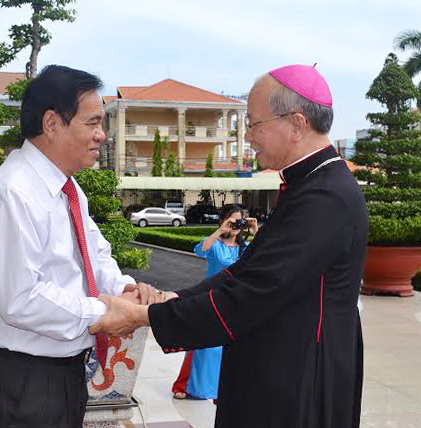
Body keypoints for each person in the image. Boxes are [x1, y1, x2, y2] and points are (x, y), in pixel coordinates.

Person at [91, 64, 368, 428]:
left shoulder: (326, 197)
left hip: (301, 374)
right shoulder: (311, 185)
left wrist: (146, 316)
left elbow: (255, 292)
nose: (249, 136)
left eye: (254, 123)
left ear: (297, 124)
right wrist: (175, 299)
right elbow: (247, 269)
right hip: (282, 358)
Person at [0, 65, 162, 428]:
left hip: (63, 375)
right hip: (23, 380)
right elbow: (20, 298)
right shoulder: (13, 192)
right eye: (92, 123)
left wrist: (125, 290)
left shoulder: (69, 190)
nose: (101, 135)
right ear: (52, 123)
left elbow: (94, 256)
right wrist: (104, 312)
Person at [172, 205, 257, 400]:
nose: (237, 225)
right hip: (211, 298)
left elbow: (262, 256)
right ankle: (187, 386)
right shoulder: (215, 244)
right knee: (203, 343)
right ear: (224, 221)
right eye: (232, 221)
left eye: (240, 221)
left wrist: (255, 231)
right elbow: (200, 250)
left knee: (227, 347)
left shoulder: (245, 249)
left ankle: (221, 389)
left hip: (234, 299)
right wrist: (220, 230)